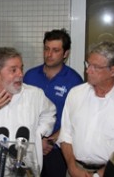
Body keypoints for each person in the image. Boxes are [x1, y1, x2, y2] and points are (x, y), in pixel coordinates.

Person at [58, 41, 114, 177]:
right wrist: (72, 167)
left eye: (95, 67)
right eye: (88, 64)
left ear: (113, 70)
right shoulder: (75, 94)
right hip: (75, 169)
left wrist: (98, 175)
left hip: (112, 172)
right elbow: (66, 135)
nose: (88, 70)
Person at [24, 29, 83, 177]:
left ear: (65, 53)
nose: (49, 54)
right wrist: (36, 141)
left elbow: (76, 118)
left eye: (55, 50)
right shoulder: (29, 76)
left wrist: (49, 142)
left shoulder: (75, 81)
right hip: (29, 146)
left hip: (56, 149)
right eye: (46, 49)